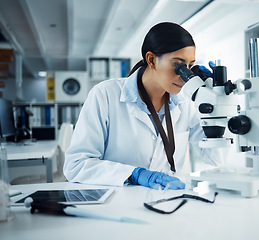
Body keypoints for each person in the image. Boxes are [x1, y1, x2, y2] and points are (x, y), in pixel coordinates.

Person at [63, 22, 224, 190]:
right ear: (151, 59)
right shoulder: (105, 95)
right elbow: (76, 165)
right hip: (115, 203)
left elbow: (216, 160)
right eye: (178, 65)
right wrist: (135, 174)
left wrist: (215, 107)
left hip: (166, 202)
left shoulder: (186, 103)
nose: (185, 75)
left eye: (190, 66)